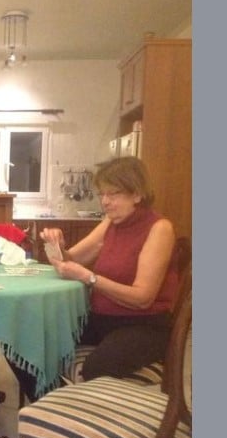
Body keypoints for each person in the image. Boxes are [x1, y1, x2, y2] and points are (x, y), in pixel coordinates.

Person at [17, 156, 178, 401]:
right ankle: (51, 403)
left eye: (113, 194)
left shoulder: (159, 228)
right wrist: (56, 244)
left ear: (137, 194)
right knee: (23, 339)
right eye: (102, 194)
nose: (105, 202)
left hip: (144, 326)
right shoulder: (111, 223)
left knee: (96, 368)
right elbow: (71, 260)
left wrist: (90, 278)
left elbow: (143, 298)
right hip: (101, 319)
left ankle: (67, 406)